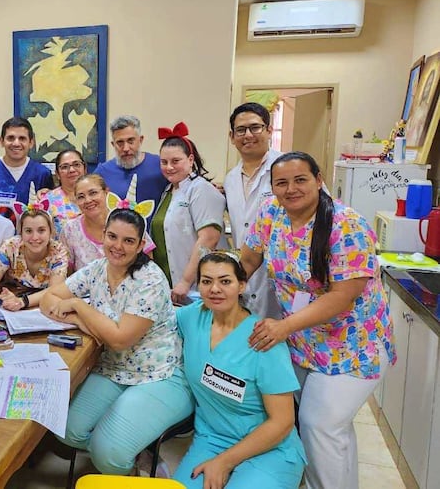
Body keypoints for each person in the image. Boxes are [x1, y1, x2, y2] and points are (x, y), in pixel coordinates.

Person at [241, 151, 396, 489]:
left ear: (318, 179)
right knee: (332, 433)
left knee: (319, 425)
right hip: (303, 342)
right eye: (281, 182)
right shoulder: (271, 212)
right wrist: (228, 283)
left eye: (300, 180)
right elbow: (251, 255)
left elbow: (342, 295)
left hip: (352, 345)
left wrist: (282, 327)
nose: (291, 189)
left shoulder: (346, 224)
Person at [41, 207, 193, 475]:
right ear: (103, 235)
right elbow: (48, 300)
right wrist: (79, 320)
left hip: (158, 375)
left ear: (141, 245)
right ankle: (132, 452)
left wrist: (77, 305)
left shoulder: (150, 279)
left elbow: (120, 339)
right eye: (112, 237)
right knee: (62, 427)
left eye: (128, 240)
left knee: (108, 452)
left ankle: (127, 457)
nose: (118, 246)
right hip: (113, 368)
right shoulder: (97, 269)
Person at [173, 252, 306, 489]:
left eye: (225, 281)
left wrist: (224, 462)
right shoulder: (193, 317)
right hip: (212, 440)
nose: (215, 289)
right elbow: (152, 316)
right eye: (206, 281)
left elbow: (283, 422)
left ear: (241, 285)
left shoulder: (264, 339)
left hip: (269, 447)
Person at [152, 122, 225, 303]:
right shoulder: (169, 190)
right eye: (164, 162)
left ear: (190, 160)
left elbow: (208, 238)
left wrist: (185, 281)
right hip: (169, 286)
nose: (169, 167)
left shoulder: (202, 189)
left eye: (176, 161)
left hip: (193, 288)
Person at [223, 103, 283, 319]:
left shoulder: (289, 167)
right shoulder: (231, 179)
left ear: (268, 130)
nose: (247, 135)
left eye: (255, 128)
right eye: (241, 130)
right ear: (232, 137)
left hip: (283, 276)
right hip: (247, 273)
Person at [0, 195, 68, 311]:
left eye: (41, 230)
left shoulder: (58, 251)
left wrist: (22, 302)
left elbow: (55, 290)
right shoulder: (10, 247)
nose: (35, 237)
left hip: (45, 306)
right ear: (20, 232)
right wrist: (4, 302)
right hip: (13, 303)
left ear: (51, 232)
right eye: (28, 231)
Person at [60, 173, 155, 272]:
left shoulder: (127, 219)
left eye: (93, 193)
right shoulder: (70, 230)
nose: (88, 200)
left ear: (106, 192)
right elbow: (67, 273)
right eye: (81, 197)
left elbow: (149, 267)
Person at [0, 116, 55, 219]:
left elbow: (49, 212)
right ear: (1, 141)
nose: (16, 143)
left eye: (22, 138)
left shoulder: (42, 174)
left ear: (31, 143)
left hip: (31, 234)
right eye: (10, 138)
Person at [93, 115, 167, 205]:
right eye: (120, 143)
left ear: (140, 140)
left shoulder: (160, 165)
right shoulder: (102, 172)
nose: (126, 148)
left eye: (130, 141)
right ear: (113, 144)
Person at [44, 149, 86, 236]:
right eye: (64, 167)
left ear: (84, 169)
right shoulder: (47, 201)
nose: (71, 170)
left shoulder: (96, 196)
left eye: (76, 164)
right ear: (57, 174)